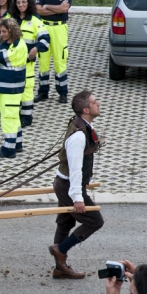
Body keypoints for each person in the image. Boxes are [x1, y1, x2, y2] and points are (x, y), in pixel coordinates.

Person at [48, 89, 104, 279]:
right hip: (68, 186)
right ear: (86, 110)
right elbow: (75, 170)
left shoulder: (82, 125)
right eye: (95, 102)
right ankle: (61, 250)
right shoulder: (79, 136)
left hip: (64, 184)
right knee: (95, 221)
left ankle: (59, 268)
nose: (98, 103)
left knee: (65, 223)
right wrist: (78, 198)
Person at [8, 0, 50, 126]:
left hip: (27, 63)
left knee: (26, 91)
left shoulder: (35, 21)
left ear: (29, 3)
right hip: (11, 63)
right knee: (13, 90)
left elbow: (45, 39)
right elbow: (0, 36)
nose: (21, 5)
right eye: (18, 2)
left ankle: (26, 118)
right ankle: (14, 116)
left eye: (24, 2)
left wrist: (36, 48)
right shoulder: (10, 19)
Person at [35, 0, 72, 104]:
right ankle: (43, 92)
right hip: (44, 27)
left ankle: (62, 93)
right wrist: (56, 9)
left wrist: (46, 6)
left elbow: (64, 9)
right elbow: (38, 10)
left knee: (59, 61)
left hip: (59, 28)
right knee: (43, 61)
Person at [0, 18, 27, 159]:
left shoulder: (18, 47)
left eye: (4, 31)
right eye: (0, 31)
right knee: (13, 116)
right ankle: (17, 143)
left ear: (12, 31)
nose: (2, 34)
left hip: (11, 89)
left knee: (8, 118)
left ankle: (8, 149)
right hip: (7, 87)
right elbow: (4, 60)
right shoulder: (11, 44)